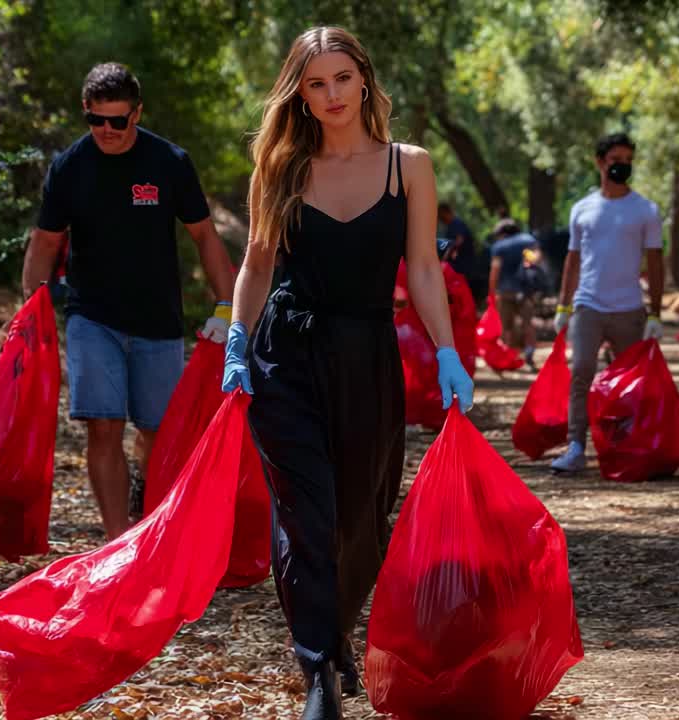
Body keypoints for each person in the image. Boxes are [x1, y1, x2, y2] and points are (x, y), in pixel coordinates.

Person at [221, 26, 473, 720]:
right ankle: (318, 678)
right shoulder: (280, 166)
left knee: (362, 517)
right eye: (314, 83)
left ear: (364, 78)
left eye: (340, 78)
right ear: (298, 94)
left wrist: (447, 351)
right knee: (307, 513)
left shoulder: (408, 165)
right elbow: (256, 265)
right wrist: (237, 341)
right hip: (286, 354)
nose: (330, 95)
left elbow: (422, 267)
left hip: (368, 356)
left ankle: (334, 638)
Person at [4, 62, 236, 541]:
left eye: (118, 121)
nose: (107, 131)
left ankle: (143, 493)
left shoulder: (169, 163)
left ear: (138, 114)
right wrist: (31, 309)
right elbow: (45, 243)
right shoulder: (69, 167)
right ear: (86, 111)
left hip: (159, 321)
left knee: (156, 433)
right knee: (103, 425)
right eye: (97, 120)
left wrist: (227, 307)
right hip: (93, 317)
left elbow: (205, 238)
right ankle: (117, 541)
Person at [550, 133, 664, 473]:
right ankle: (575, 446)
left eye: (628, 159)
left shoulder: (645, 210)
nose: (623, 165)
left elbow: (656, 262)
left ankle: (625, 443)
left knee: (630, 379)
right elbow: (572, 260)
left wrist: (656, 312)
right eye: (616, 159)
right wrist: (562, 306)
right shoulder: (582, 209)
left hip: (629, 308)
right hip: (588, 305)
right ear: (600, 162)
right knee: (582, 371)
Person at [488, 218, 541, 368]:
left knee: (506, 327)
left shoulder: (499, 246)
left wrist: (491, 291)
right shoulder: (528, 240)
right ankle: (529, 354)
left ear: (502, 233)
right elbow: (536, 258)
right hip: (525, 291)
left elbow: (495, 270)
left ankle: (507, 357)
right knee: (528, 324)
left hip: (505, 292)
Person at [437, 201, 479, 292]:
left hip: (465, 267)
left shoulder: (456, 223)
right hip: (459, 267)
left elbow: (459, 240)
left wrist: (445, 257)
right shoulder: (450, 226)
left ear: (445, 212)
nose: (440, 219)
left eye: (440, 215)